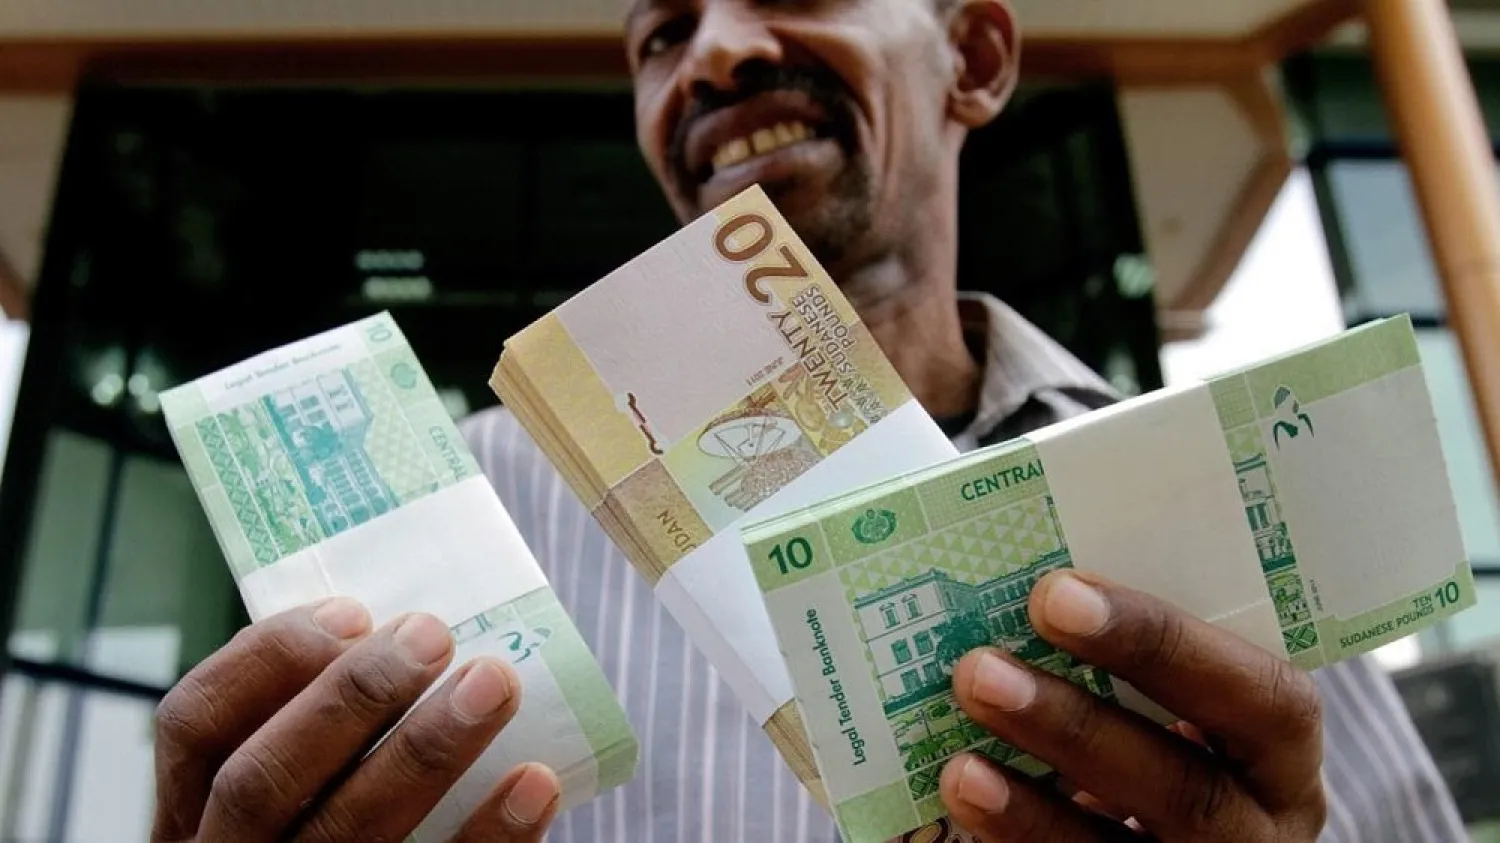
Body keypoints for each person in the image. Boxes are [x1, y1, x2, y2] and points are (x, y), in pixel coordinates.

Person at [149, 0, 1469, 840]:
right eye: (661, 34)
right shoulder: (463, 524)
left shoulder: (1211, 512)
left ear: (975, 54)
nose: (717, 48)